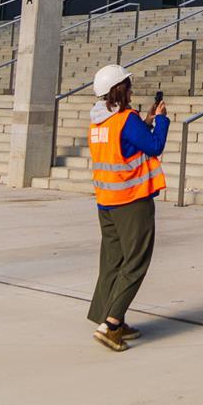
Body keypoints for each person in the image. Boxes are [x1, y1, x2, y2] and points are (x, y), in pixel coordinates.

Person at [87, 63, 167, 352]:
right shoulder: (126, 119)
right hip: (131, 201)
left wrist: (144, 122)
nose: (132, 90)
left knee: (112, 261)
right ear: (120, 90)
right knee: (135, 262)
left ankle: (107, 317)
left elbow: (126, 145)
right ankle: (110, 324)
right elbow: (154, 146)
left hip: (106, 202)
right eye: (129, 86)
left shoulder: (99, 122)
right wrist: (161, 121)